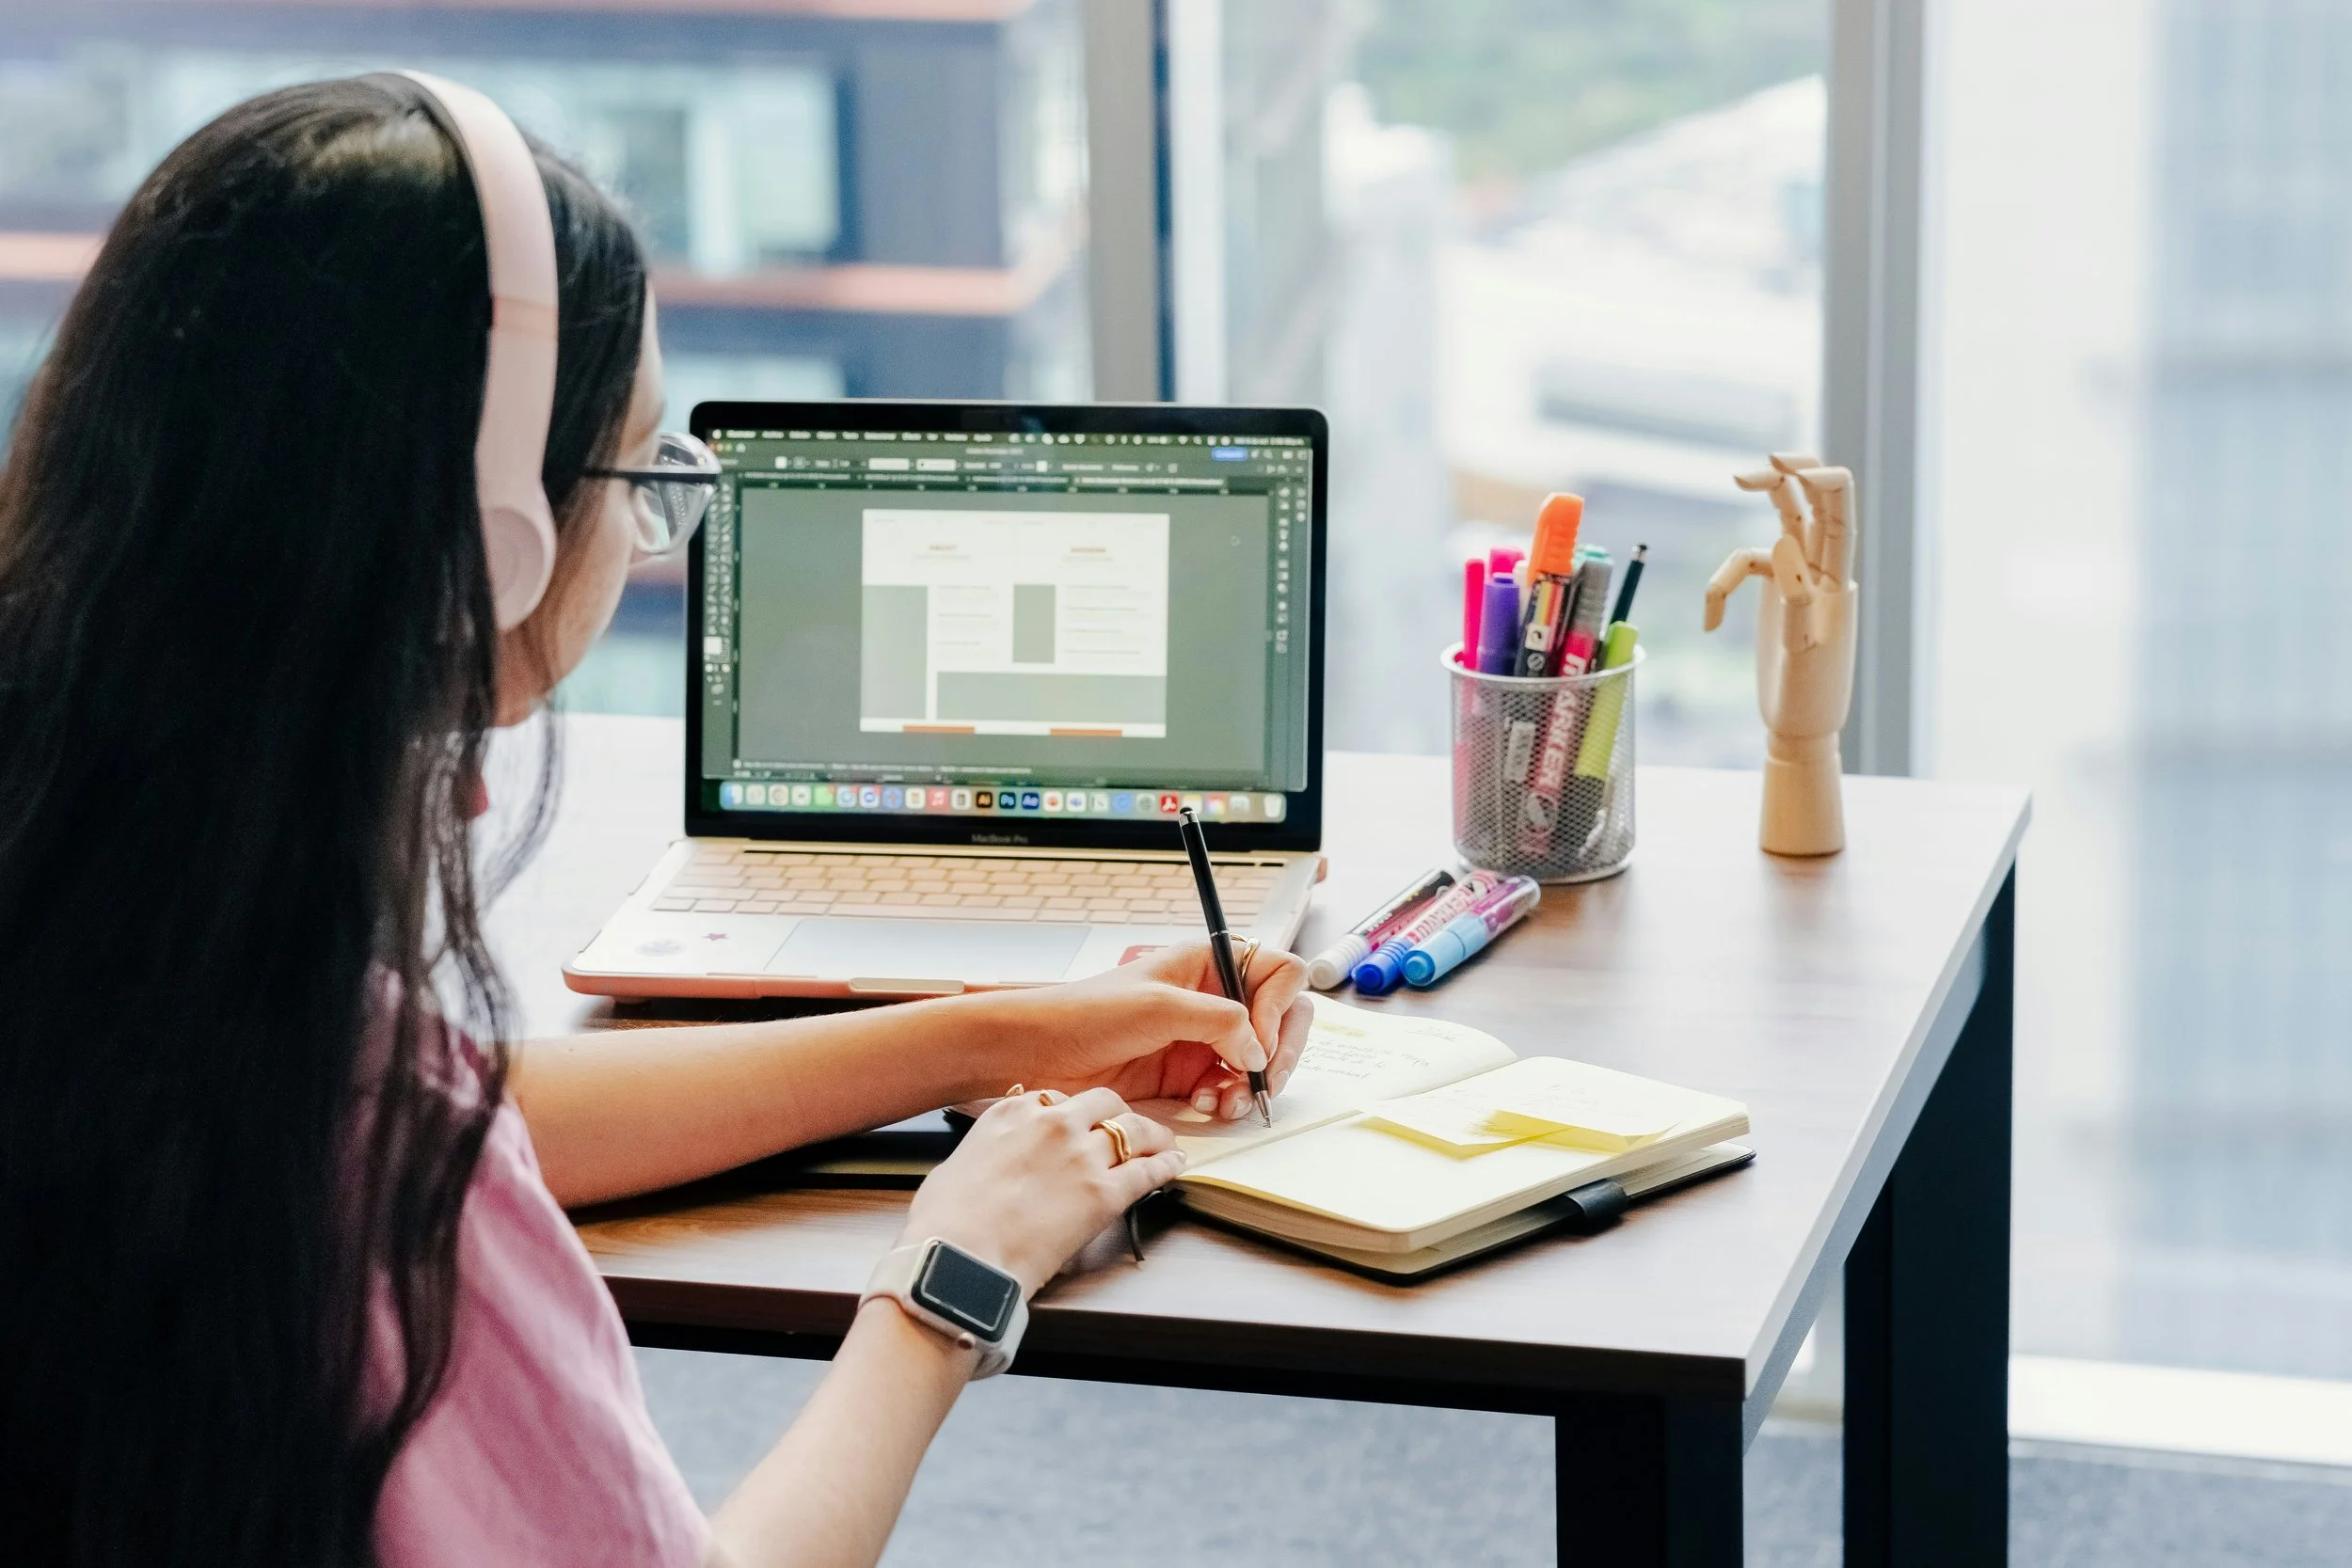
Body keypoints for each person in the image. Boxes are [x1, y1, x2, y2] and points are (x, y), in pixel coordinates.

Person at [0, 75, 1311, 1568]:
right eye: (639, 475)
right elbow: (409, 1123)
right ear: (493, 541)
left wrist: (997, 1033)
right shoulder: (360, 1154)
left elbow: (449, 1099)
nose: (647, 527)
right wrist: (951, 1275)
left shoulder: (115, 914)